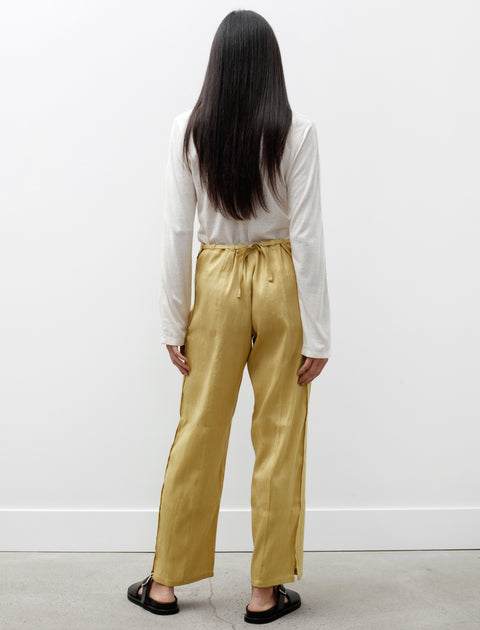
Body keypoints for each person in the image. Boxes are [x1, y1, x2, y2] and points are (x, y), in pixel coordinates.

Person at [127, 8, 330, 625]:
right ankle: (264, 593)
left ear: (216, 66)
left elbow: (176, 230)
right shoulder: (297, 132)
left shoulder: (188, 130)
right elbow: (308, 236)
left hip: (215, 282)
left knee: (200, 428)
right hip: (280, 279)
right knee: (280, 433)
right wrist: (319, 332)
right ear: (271, 66)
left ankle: (165, 583)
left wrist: (172, 320)